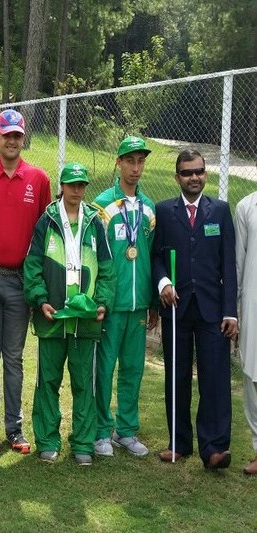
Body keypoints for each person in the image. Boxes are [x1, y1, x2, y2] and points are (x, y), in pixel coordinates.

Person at [23, 162, 116, 464]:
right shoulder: (47, 221)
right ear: (61, 186)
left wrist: (102, 302)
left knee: (84, 383)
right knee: (48, 381)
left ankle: (83, 444)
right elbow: (32, 266)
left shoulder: (95, 223)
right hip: (52, 319)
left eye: (81, 185)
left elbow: (108, 269)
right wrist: (40, 300)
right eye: (71, 184)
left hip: (85, 320)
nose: (77, 190)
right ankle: (47, 440)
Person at [152, 148, 237, 469]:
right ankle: (179, 443)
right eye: (187, 172)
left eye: (199, 171)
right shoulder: (164, 211)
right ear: (177, 177)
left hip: (213, 311)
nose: (194, 177)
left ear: (206, 174)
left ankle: (214, 448)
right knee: (177, 376)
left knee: (215, 379)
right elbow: (156, 257)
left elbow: (228, 265)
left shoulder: (220, 211)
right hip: (176, 308)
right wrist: (163, 283)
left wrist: (231, 312)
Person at [0, 109, 52, 454]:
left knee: (15, 357)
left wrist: (40, 284)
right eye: (6, 134)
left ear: (23, 139)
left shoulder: (39, 179)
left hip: (21, 280)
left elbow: (46, 234)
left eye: (17, 135)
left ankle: (14, 428)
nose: (11, 140)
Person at [91, 136, 157, 457]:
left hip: (138, 303)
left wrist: (152, 301)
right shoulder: (102, 205)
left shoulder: (149, 208)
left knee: (133, 368)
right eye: (130, 161)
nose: (135, 167)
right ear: (118, 163)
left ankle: (126, 430)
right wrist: (98, 299)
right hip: (111, 304)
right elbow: (94, 256)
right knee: (104, 368)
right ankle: (101, 430)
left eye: (140, 161)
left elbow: (152, 255)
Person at [234, 191, 257, 475]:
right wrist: (233, 311)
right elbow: (238, 263)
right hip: (253, 305)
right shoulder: (246, 207)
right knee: (252, 375)